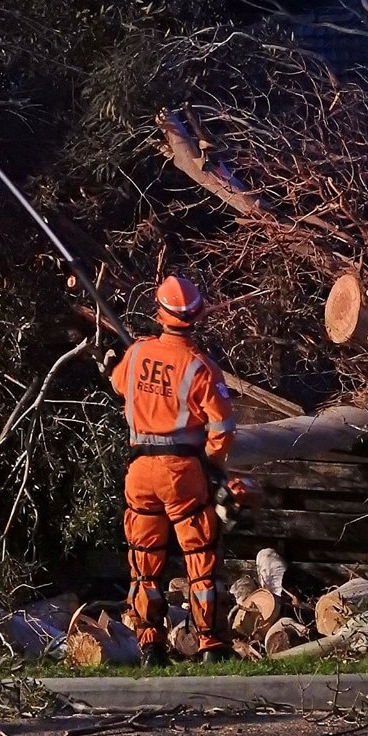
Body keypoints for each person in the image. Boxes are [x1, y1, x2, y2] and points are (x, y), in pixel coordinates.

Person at [110, 275, 236, 667]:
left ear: (158, 312)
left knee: (144, 561)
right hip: (182, 471)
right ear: (197, 316)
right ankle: (211, 646)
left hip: (139, 471)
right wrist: (212, 462)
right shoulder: (201, 368)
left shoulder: (136, 353)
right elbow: (223, 430)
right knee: (199, 557)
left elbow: (119, 385)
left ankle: (150, 646)